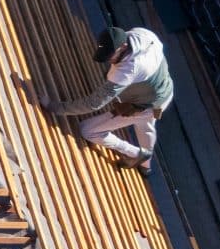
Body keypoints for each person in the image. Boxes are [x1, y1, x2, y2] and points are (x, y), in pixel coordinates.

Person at [51, 24, 174, 169]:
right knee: (146, 126)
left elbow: (93, 103)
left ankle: (136, 154)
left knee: (88, 130)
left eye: (111, 56)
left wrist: (54, 107)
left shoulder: (128, 69)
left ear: (122, 47)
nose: (109, 60)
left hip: (144, 107)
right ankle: (147, 165)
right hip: (165, 94)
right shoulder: (142, 34)